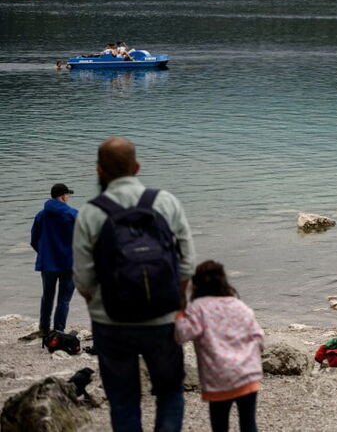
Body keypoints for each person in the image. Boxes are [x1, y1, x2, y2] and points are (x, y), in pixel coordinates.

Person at [73, 136, 196, 432]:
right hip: (163, 319)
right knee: (169, 393)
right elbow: (187, 265)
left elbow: (83, 279)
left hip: (112, 323)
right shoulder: (165, 202)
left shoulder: (90, 213)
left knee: (124, 400)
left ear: (99, 171)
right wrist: (178, 307)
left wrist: (99, 309)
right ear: (137, 167)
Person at [174, 261, 264, 432]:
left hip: (218, 378)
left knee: (220, 425)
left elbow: (181, 335)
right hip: (248, 373)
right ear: (224, 281)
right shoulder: (239, 306)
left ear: (197, 284)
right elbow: (259, 337)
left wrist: (179, 312)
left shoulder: (197, 309)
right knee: (248, 423)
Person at [31, 182, 79, 340]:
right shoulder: (73, 214)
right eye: (68, 195)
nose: (68, 197)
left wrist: (45, 253)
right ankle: (58, 331)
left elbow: (34, 240)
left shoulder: (41, 215)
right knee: (64, 299)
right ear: (63, 196)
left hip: (48, 264)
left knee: (47, 296)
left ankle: (44, 328)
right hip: (69, 264)